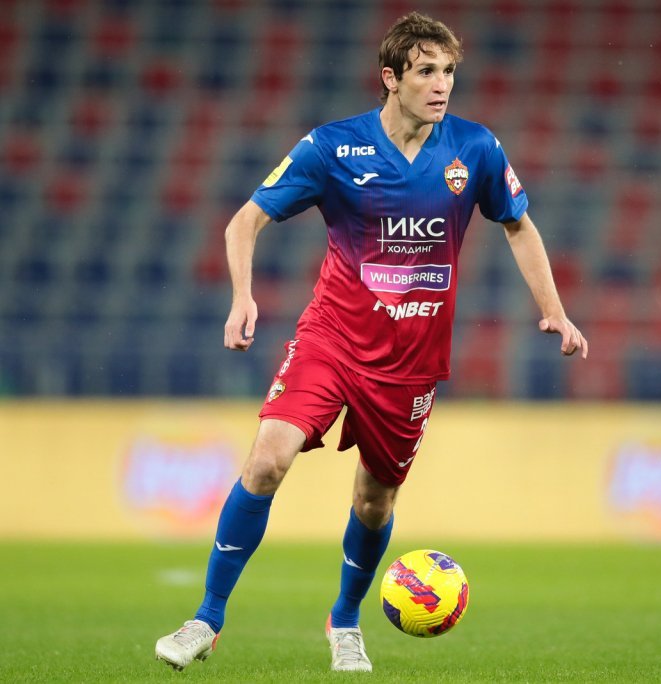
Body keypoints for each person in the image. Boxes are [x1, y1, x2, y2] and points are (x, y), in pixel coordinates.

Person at [155, 11, 587, 674]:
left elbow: (519, 226)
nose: (441, 85)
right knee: (267, 459)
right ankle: (206, 619)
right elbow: (244, 222)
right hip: (331, 338)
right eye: (426, 71)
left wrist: (554, 311)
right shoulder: (333, 148)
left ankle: (346, 621)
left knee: (374, 499)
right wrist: (242, 296)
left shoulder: (475, 149)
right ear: (390, 77)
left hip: (410, 362)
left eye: (448, 71)